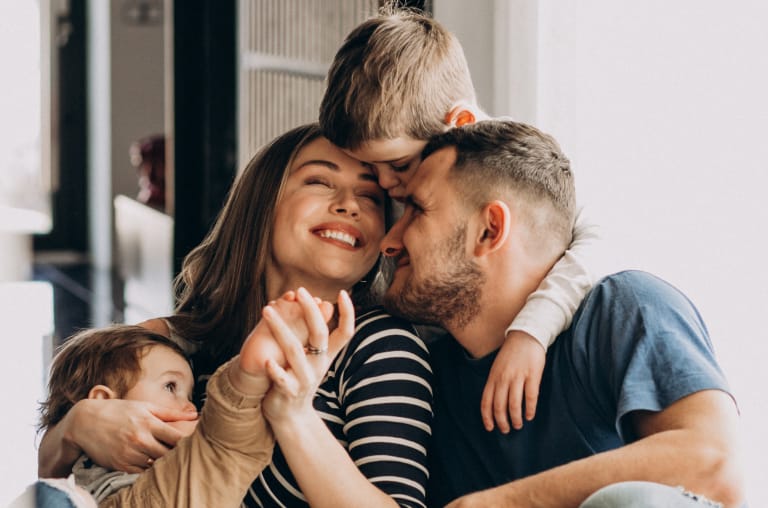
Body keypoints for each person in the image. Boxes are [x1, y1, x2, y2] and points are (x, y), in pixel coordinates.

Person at [37, 123, 434, 508]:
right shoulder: (178, 339)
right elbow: (55, 476)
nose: (349, 204)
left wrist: (293, 415)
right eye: (319, 181)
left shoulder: (380, 346)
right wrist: (77, 426)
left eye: (370, 197)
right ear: (262, 202)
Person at [378, 119, 745, 507]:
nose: (389, 241)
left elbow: (715, 465)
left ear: (490, 230)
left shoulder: (619, 310)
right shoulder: (418, 372)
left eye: (416, 210)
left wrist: (498, 504)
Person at [318, 6, 596, 433]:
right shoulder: (394, 169)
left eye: (398, 163)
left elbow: (595, 242)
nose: (387, 184)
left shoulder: (520, 171)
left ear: (460, 123)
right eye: (371, 168)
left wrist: (531, 332)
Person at [37, 325, 197, 502]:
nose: (192, 407)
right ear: (103, 403)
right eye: (170, 386)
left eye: (190, 396)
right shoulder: (108, 484)